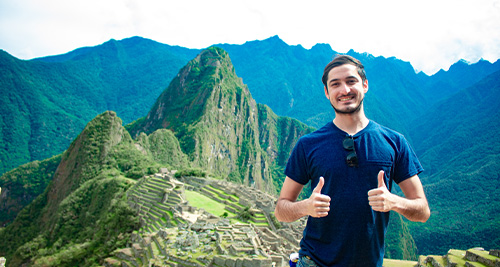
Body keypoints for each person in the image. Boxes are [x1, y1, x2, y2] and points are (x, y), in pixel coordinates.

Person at [274, 55, 430, 267]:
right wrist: (305, 207)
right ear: (327, 92)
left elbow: (422, 211)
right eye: (335, 84)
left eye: (351, 81)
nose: (344, 90)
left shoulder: (394, 143)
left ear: (364, 85)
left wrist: (393, 201)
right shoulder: (308, 145)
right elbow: (281, 209)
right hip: (314, 262)